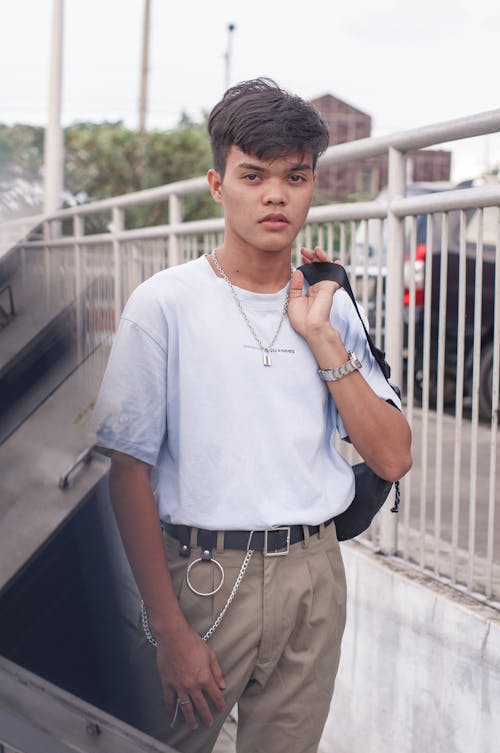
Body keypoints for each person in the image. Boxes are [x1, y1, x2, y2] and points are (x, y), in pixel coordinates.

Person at [94, 78, 412, 753]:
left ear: (312, 186)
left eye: (295, 176)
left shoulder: (330, 306)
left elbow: (392, 456)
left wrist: (324, 338)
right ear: (218, 184)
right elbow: (127, 474)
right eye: (253, 175)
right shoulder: (165, 305)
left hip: (313, 574)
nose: (275, 194)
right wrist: (170, 628)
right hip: (202, 576)